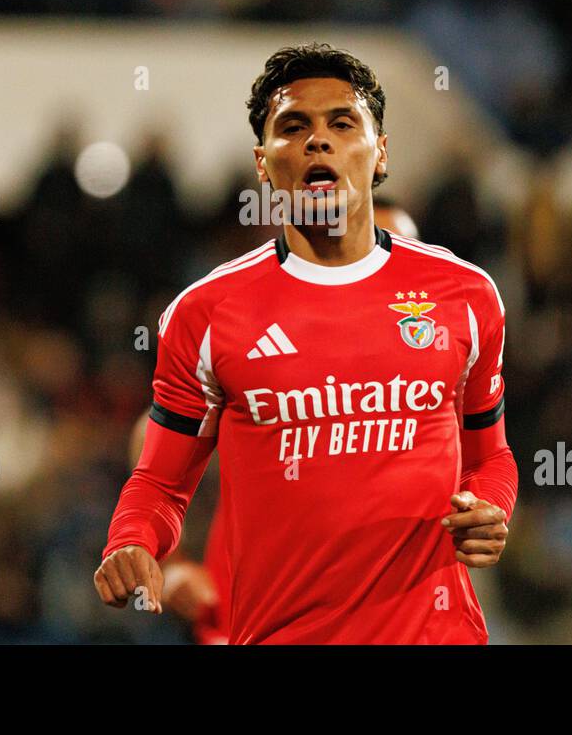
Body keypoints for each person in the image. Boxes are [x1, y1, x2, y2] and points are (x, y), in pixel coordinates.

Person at [94, 43, 518, 643]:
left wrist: (489, 506)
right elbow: (161, 483)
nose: (318, 140)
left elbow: (489, 457)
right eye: (293, 127)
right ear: (264, 163)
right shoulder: (206, 315)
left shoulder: (465, 295)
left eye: (342, 123)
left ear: (380, 154)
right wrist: (131, 542)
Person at [125, 201, 426, 645]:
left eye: (402, 251)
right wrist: (171, 563)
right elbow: (152, 434)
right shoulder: (265, 341)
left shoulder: (430, 371)